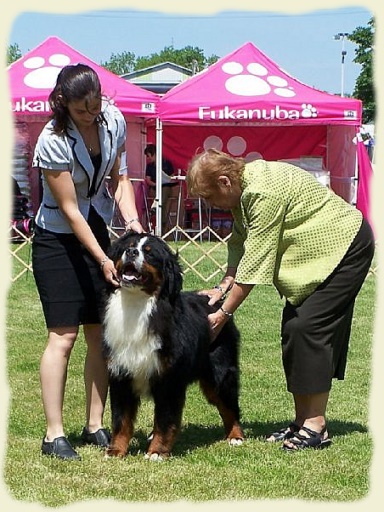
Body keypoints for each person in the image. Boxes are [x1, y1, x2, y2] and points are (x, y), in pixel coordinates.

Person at [187, 148, 375, 451]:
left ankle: (316, 427)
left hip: (345, 247)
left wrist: (224, 314)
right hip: (321, 256)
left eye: (209, 197)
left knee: (308, 328)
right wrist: (223, 286)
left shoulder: (261, 191)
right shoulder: (242, 191)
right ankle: (301, 422)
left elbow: (257, 258)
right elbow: (239, 242)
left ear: (224, 181)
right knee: (294, 328)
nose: (210, 205)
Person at [31, 63, 144, 460]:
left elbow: (120, 180)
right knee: (64, 336)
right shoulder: (51, 139)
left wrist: (131, 225)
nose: (91, 115)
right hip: (57, 238)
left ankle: (95, 424)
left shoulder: (113, 120)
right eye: (83, 111)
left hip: (96, 226)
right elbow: (69, 209)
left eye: (96, 107)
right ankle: (54, 435)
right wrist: (101, 257)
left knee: (101, 334)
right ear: (62, 103)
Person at [144, 143, 177, 233]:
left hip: (166, 188)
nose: (148, 158)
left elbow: (172, 178)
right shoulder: (150, 166)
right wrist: (156, 184)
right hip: (155, 188)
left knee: (164, 192)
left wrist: (166, 179)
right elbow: (148, 180)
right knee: (162, 204)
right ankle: (162, 227)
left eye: (149, 156)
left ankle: (155, 205)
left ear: (154, 154)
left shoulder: (167, 163)